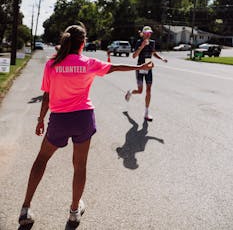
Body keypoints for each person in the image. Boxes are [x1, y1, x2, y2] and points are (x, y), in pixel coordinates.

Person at [18, 24, 153, 228]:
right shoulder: (88, 62)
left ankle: (26, 208)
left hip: (59, 120)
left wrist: (40, 120)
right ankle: (74, 212)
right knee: (79, 165)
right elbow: (115, 67)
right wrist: (139, 68)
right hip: (83, 119)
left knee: (42, 159)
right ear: (83, 43)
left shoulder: (52, 64)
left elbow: (46, 95)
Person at [125, 26, 167, 122]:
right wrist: (142, 46)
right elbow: (134, 56)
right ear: (144, 34)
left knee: (148, 90)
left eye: (150, 33)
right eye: (147, 33)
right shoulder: (139, 42)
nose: (149, 34)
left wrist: (161, 58)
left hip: (148, 68)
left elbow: (153, 53)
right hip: (140, 68)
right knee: (140, 91)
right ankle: (130, 92)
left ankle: (146, 113)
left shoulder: (152, 42)